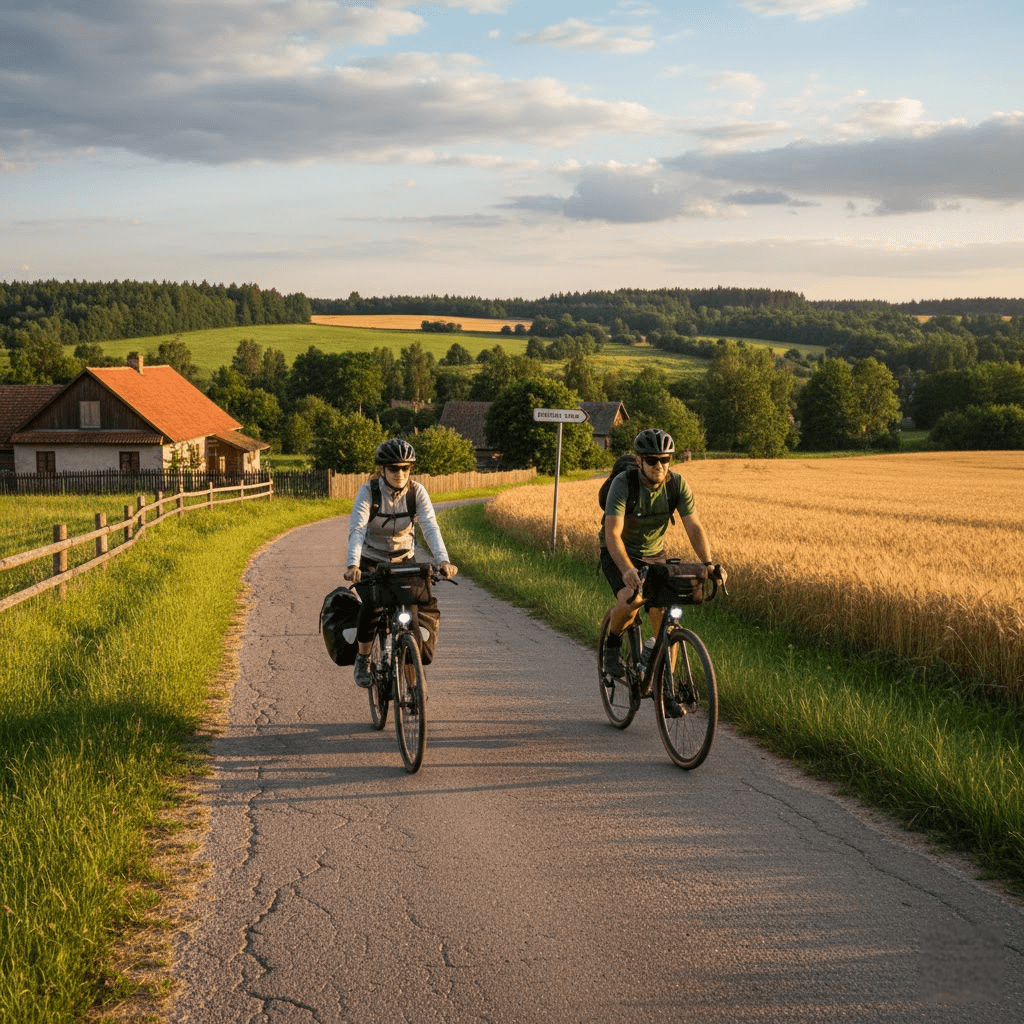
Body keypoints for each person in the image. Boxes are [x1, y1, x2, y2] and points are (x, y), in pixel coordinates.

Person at [600, 428, 726, 678]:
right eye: (652, 460)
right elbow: (612, 534)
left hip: (655, 554)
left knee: (665, 619)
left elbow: (694, 527)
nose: (659, 465)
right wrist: (627, 570)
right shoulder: (623, 484)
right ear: (639, 461)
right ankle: (611, 646)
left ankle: (665, 687)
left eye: (665, 459)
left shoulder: (677, 485)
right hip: (620, 553)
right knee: (632, 599)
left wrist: (709, 564)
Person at [344, 438, 458, 687]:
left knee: (412, 619)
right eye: (394, 468)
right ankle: (362, 660)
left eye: (405, 468)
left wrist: (443, 560)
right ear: (382, 470)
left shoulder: (417, 492)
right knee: (372, 607)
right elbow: (357, 529)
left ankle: (413, 684)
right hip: (371, 563)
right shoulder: (369, 492)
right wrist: (353, 565)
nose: (400, 473)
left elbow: (430, 526)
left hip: (405, 561)